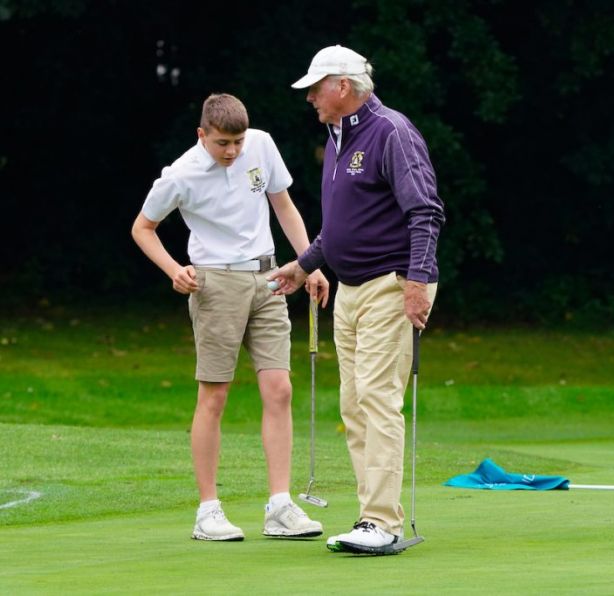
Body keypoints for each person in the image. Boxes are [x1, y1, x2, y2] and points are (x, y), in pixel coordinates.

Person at [268, 45, 445, 553]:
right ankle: (372, 517)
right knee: (354, 403)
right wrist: (304, 266)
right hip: (351, 288)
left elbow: (425, 212)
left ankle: (382, 521)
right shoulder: (338, 136)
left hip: (392, 283)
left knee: (377, 398)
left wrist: (417, 280)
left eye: (314, 89)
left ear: (341, 86)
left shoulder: (390, 131)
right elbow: (342, 226)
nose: (309, 99)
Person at [131, 93, 329, 542]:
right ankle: (208, 511)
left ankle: (280, 505)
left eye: (238, 141)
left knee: (279, 388)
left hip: (270, 277)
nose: (233, 151)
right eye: (223, 142)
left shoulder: (260, 145)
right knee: (215, 395)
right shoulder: (180, 174)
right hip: (214, 284)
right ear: (202, 135)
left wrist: (308, 262)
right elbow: (142, 228)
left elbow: (283, 206)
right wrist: (174, 270)